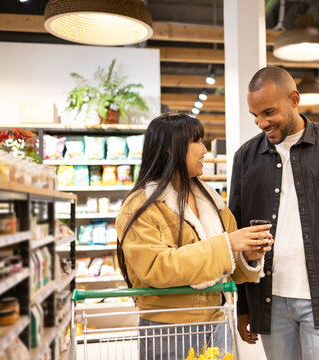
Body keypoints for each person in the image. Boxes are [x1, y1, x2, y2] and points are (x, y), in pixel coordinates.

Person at [229, 67, 319, 360]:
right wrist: (244, 306)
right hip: (269, 299)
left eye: (269, 112)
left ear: (294, 99)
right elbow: (239, 236)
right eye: (255, 115)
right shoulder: (245, 157)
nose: (261, 123)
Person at [116, 113, 274, 360]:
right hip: (169, 330)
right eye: (197, 141)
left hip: (218, 321)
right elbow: (156, 267)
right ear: (171, 148)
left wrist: (248, 255)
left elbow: (229, 267)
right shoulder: (140, 206)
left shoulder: (211, 199)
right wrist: (228, 245)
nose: (205, 150)